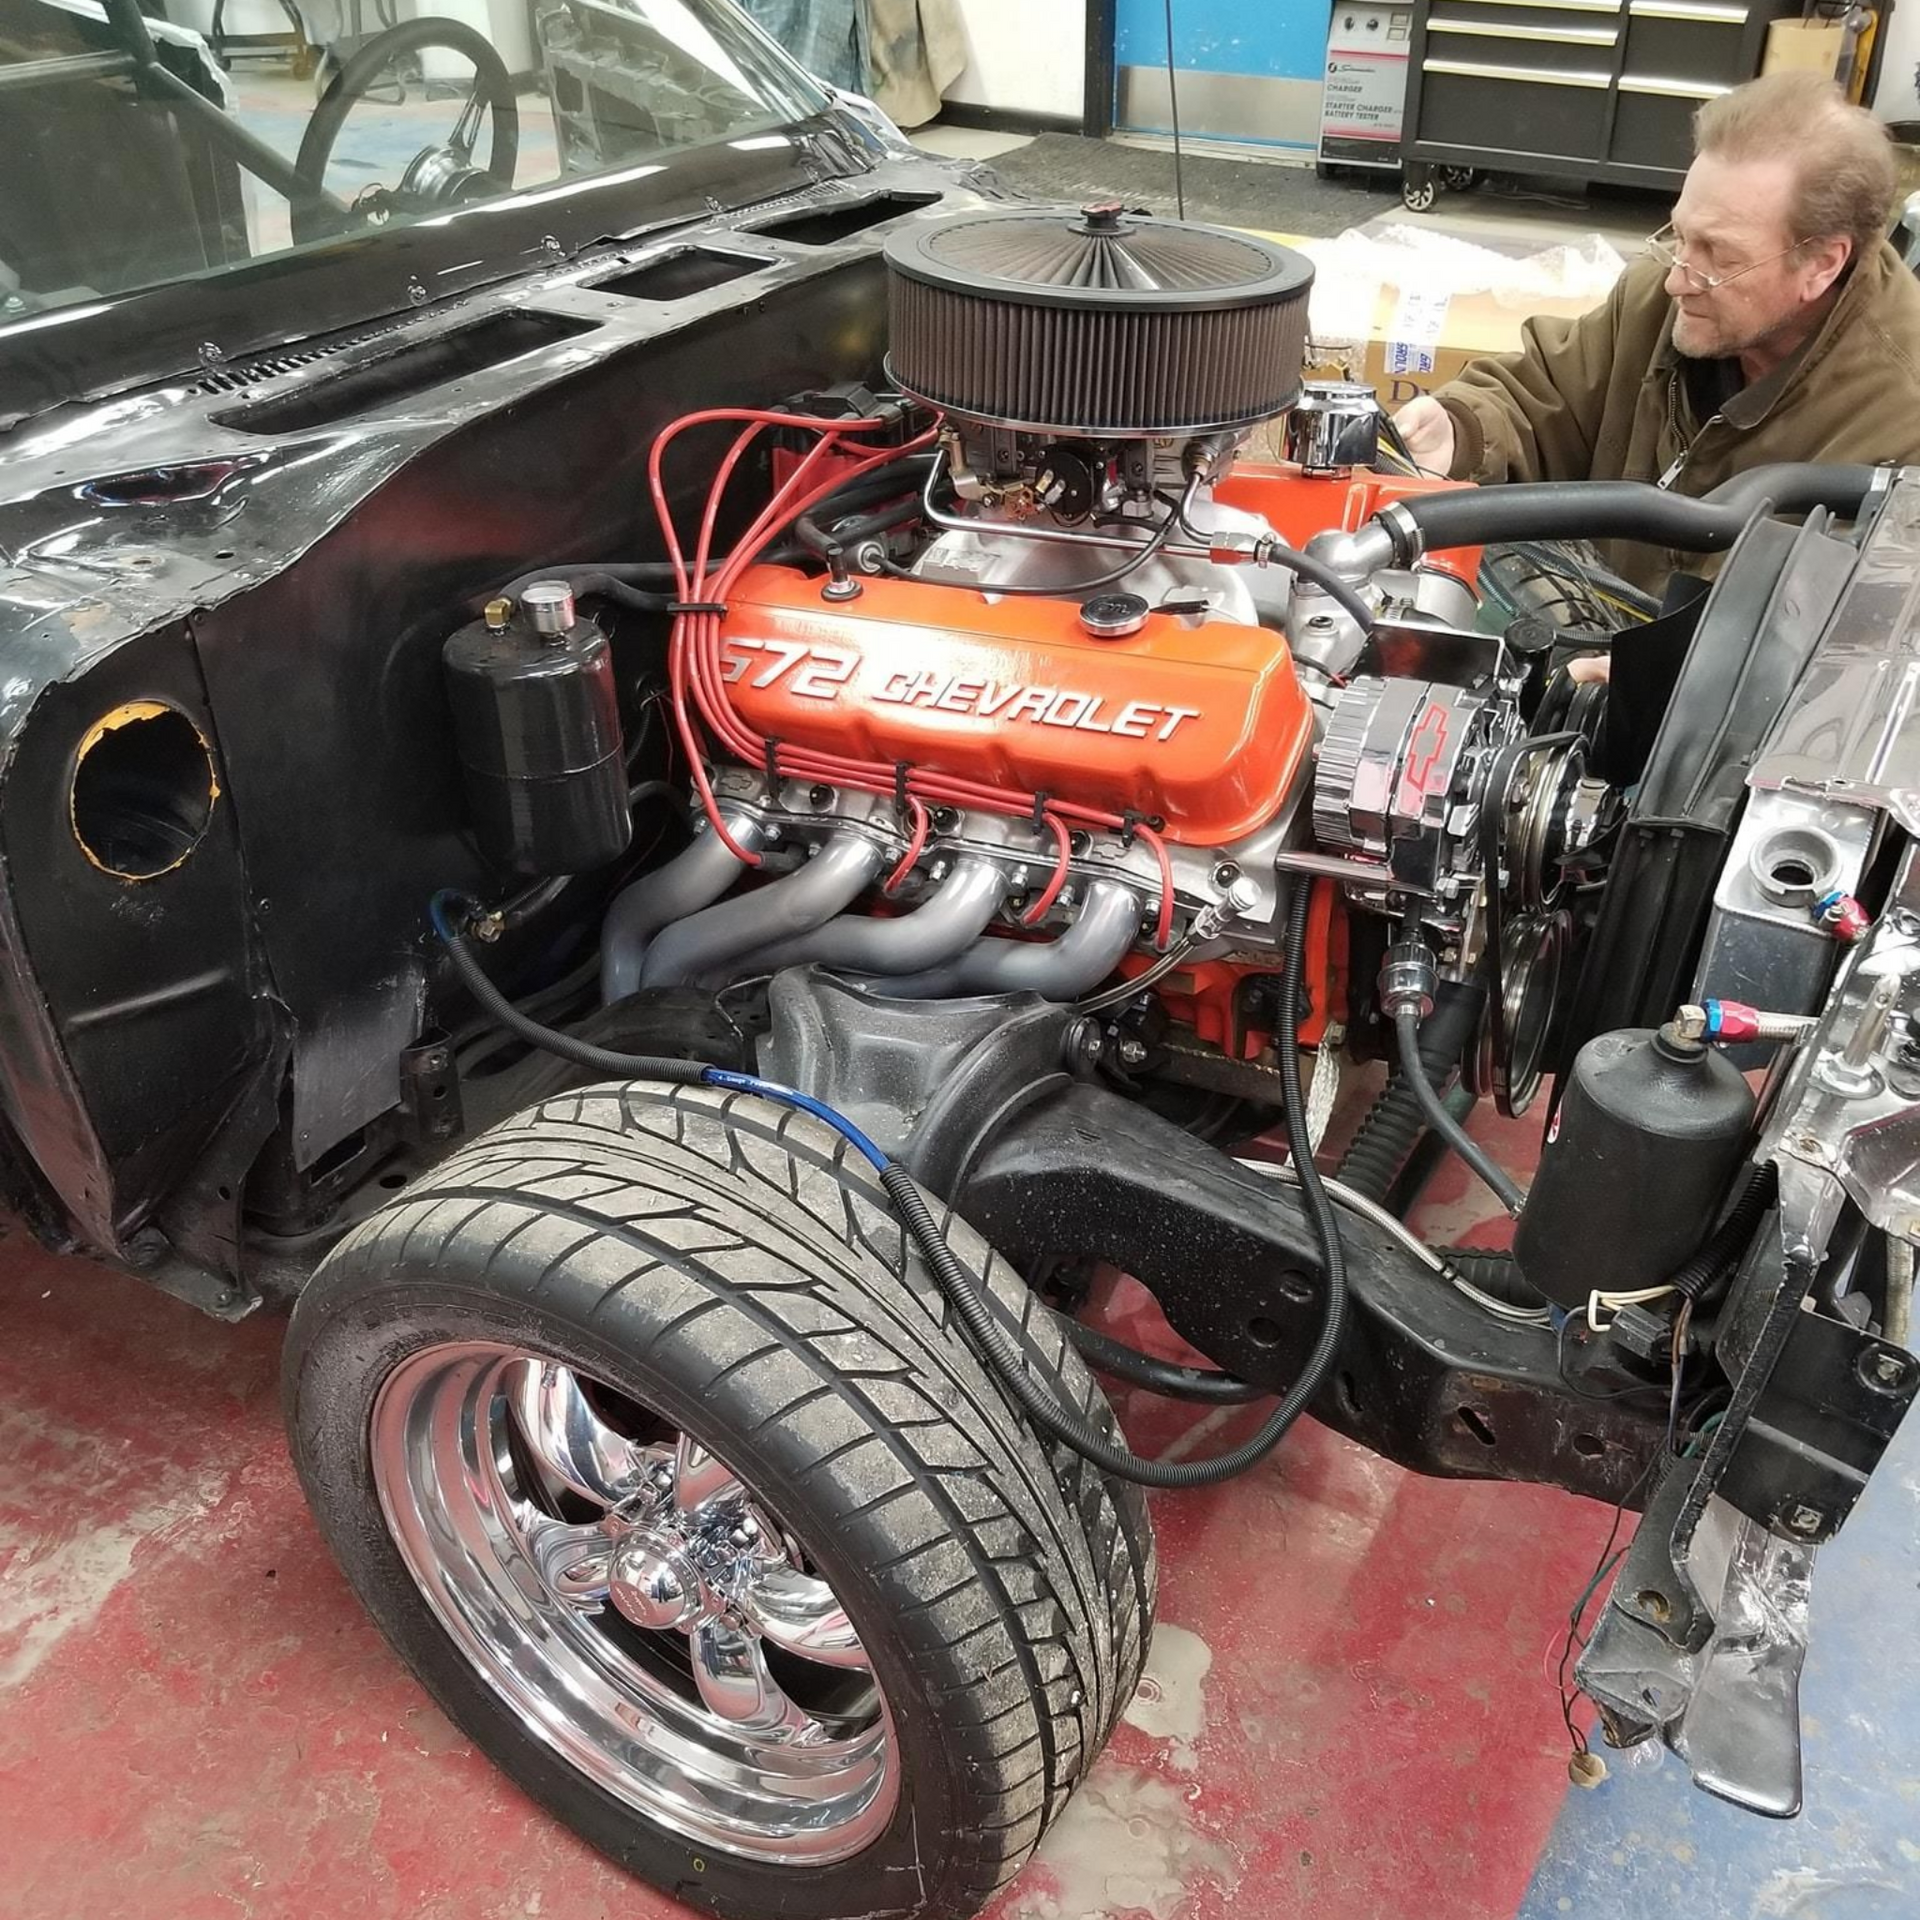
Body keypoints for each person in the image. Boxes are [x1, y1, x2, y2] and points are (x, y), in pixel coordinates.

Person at [1394, 72, 1920, 599]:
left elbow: (1843, 625)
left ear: (1823, 265)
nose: (1678, 277)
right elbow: (1547, 398)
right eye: (1681, 235)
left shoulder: (1902, 414)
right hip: (1598, 629)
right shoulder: (1659, 299)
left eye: (1720, 255)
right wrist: (1460, 430)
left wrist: (1662, 664)